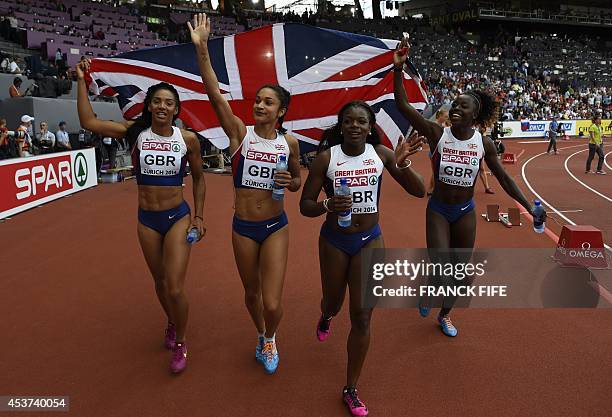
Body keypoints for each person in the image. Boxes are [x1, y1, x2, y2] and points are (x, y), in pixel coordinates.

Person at [393, 37, 540, 337]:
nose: (456, 107)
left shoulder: (483, 143)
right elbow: (402, 105)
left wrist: (528, 204)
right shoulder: (437, 133)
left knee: (461, 274)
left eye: (463, 106)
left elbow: (505, 178)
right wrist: (398, 70)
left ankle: (445, 315)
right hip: (438, 210)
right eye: (455, 103)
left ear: (475, 115)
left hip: (465, 211)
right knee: (441, 265)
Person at [76, 58, 206, 373]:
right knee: (160, 284)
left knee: (175, 286)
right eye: (157, 101)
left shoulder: (186, 139)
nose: (162, 106)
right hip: (147, 220)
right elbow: (88, 122)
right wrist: (81, 80)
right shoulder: (134, 134)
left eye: (169, 103)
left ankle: (182, 341)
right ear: (148, 106)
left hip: (177, 217)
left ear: (176, 110)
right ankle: (172, 321)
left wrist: (199, 218)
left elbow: (200, 179)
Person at [189, 13, 301, 374]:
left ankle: (271, 335)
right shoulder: (240, 134)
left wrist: (291, 183)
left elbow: (296, 181)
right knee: (251, 295)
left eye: (268, 102)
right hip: (243, 228)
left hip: (275, 227)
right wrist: (202, 49)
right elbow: (213, 94)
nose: (259, 105)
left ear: (280, 111)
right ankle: (261, 335)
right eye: (258, 100)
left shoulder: (290, 143)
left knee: (272, 302)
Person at [300, 101, 426, 417]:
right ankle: (326, 316)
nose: (355, 125)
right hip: (334, 241)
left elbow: (419, 191)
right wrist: (328, 204)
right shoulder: (326, 159)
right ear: (341, 126)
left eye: (361, 121)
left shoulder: (381, 154)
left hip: (370, 240)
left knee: (363, 316)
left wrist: (404, 164)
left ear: (370, 127)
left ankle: (351, 388)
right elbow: (305, 205)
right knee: (333, 303)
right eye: (349, 121)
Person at [426, 109, 450, 196]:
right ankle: (431, 189)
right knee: (436, 171)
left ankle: (433, 188)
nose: (447, 118)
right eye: (445, 116)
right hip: (434, 151)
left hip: (440, 150)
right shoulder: (434, 125)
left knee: (437, 171)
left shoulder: (442, 126)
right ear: (440, 116)